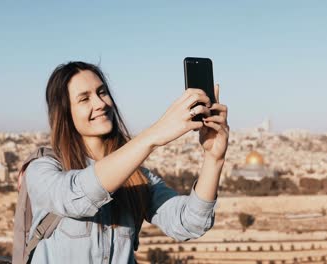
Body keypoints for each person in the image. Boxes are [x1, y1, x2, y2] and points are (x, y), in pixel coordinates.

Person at [24, 61, 229, 263]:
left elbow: (190, 223)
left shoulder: (137, 177)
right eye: (84, 99)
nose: (100, 103)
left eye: (102, 92)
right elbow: (75, 198)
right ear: (65, 113)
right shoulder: (42, 169)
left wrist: (214, 158)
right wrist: (154, 134)